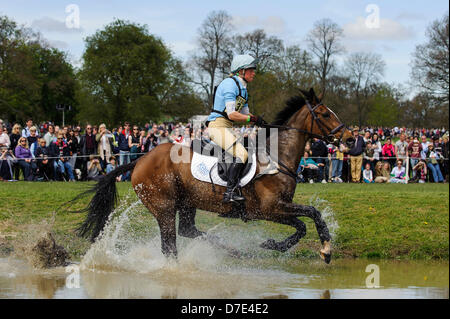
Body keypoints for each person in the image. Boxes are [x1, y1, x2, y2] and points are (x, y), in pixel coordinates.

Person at [206, 54, 265, 203]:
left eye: (254, 70)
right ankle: (229, 193)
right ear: (241, 71)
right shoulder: (229, 84)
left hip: (227, 128)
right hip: (217, 127)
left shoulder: (243, 89)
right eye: (251, 70)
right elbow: (232, 115)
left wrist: (259, 121)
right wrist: (251, 119)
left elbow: (245, 114)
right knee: (242, 154)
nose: (254, 72)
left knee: (250, 151)